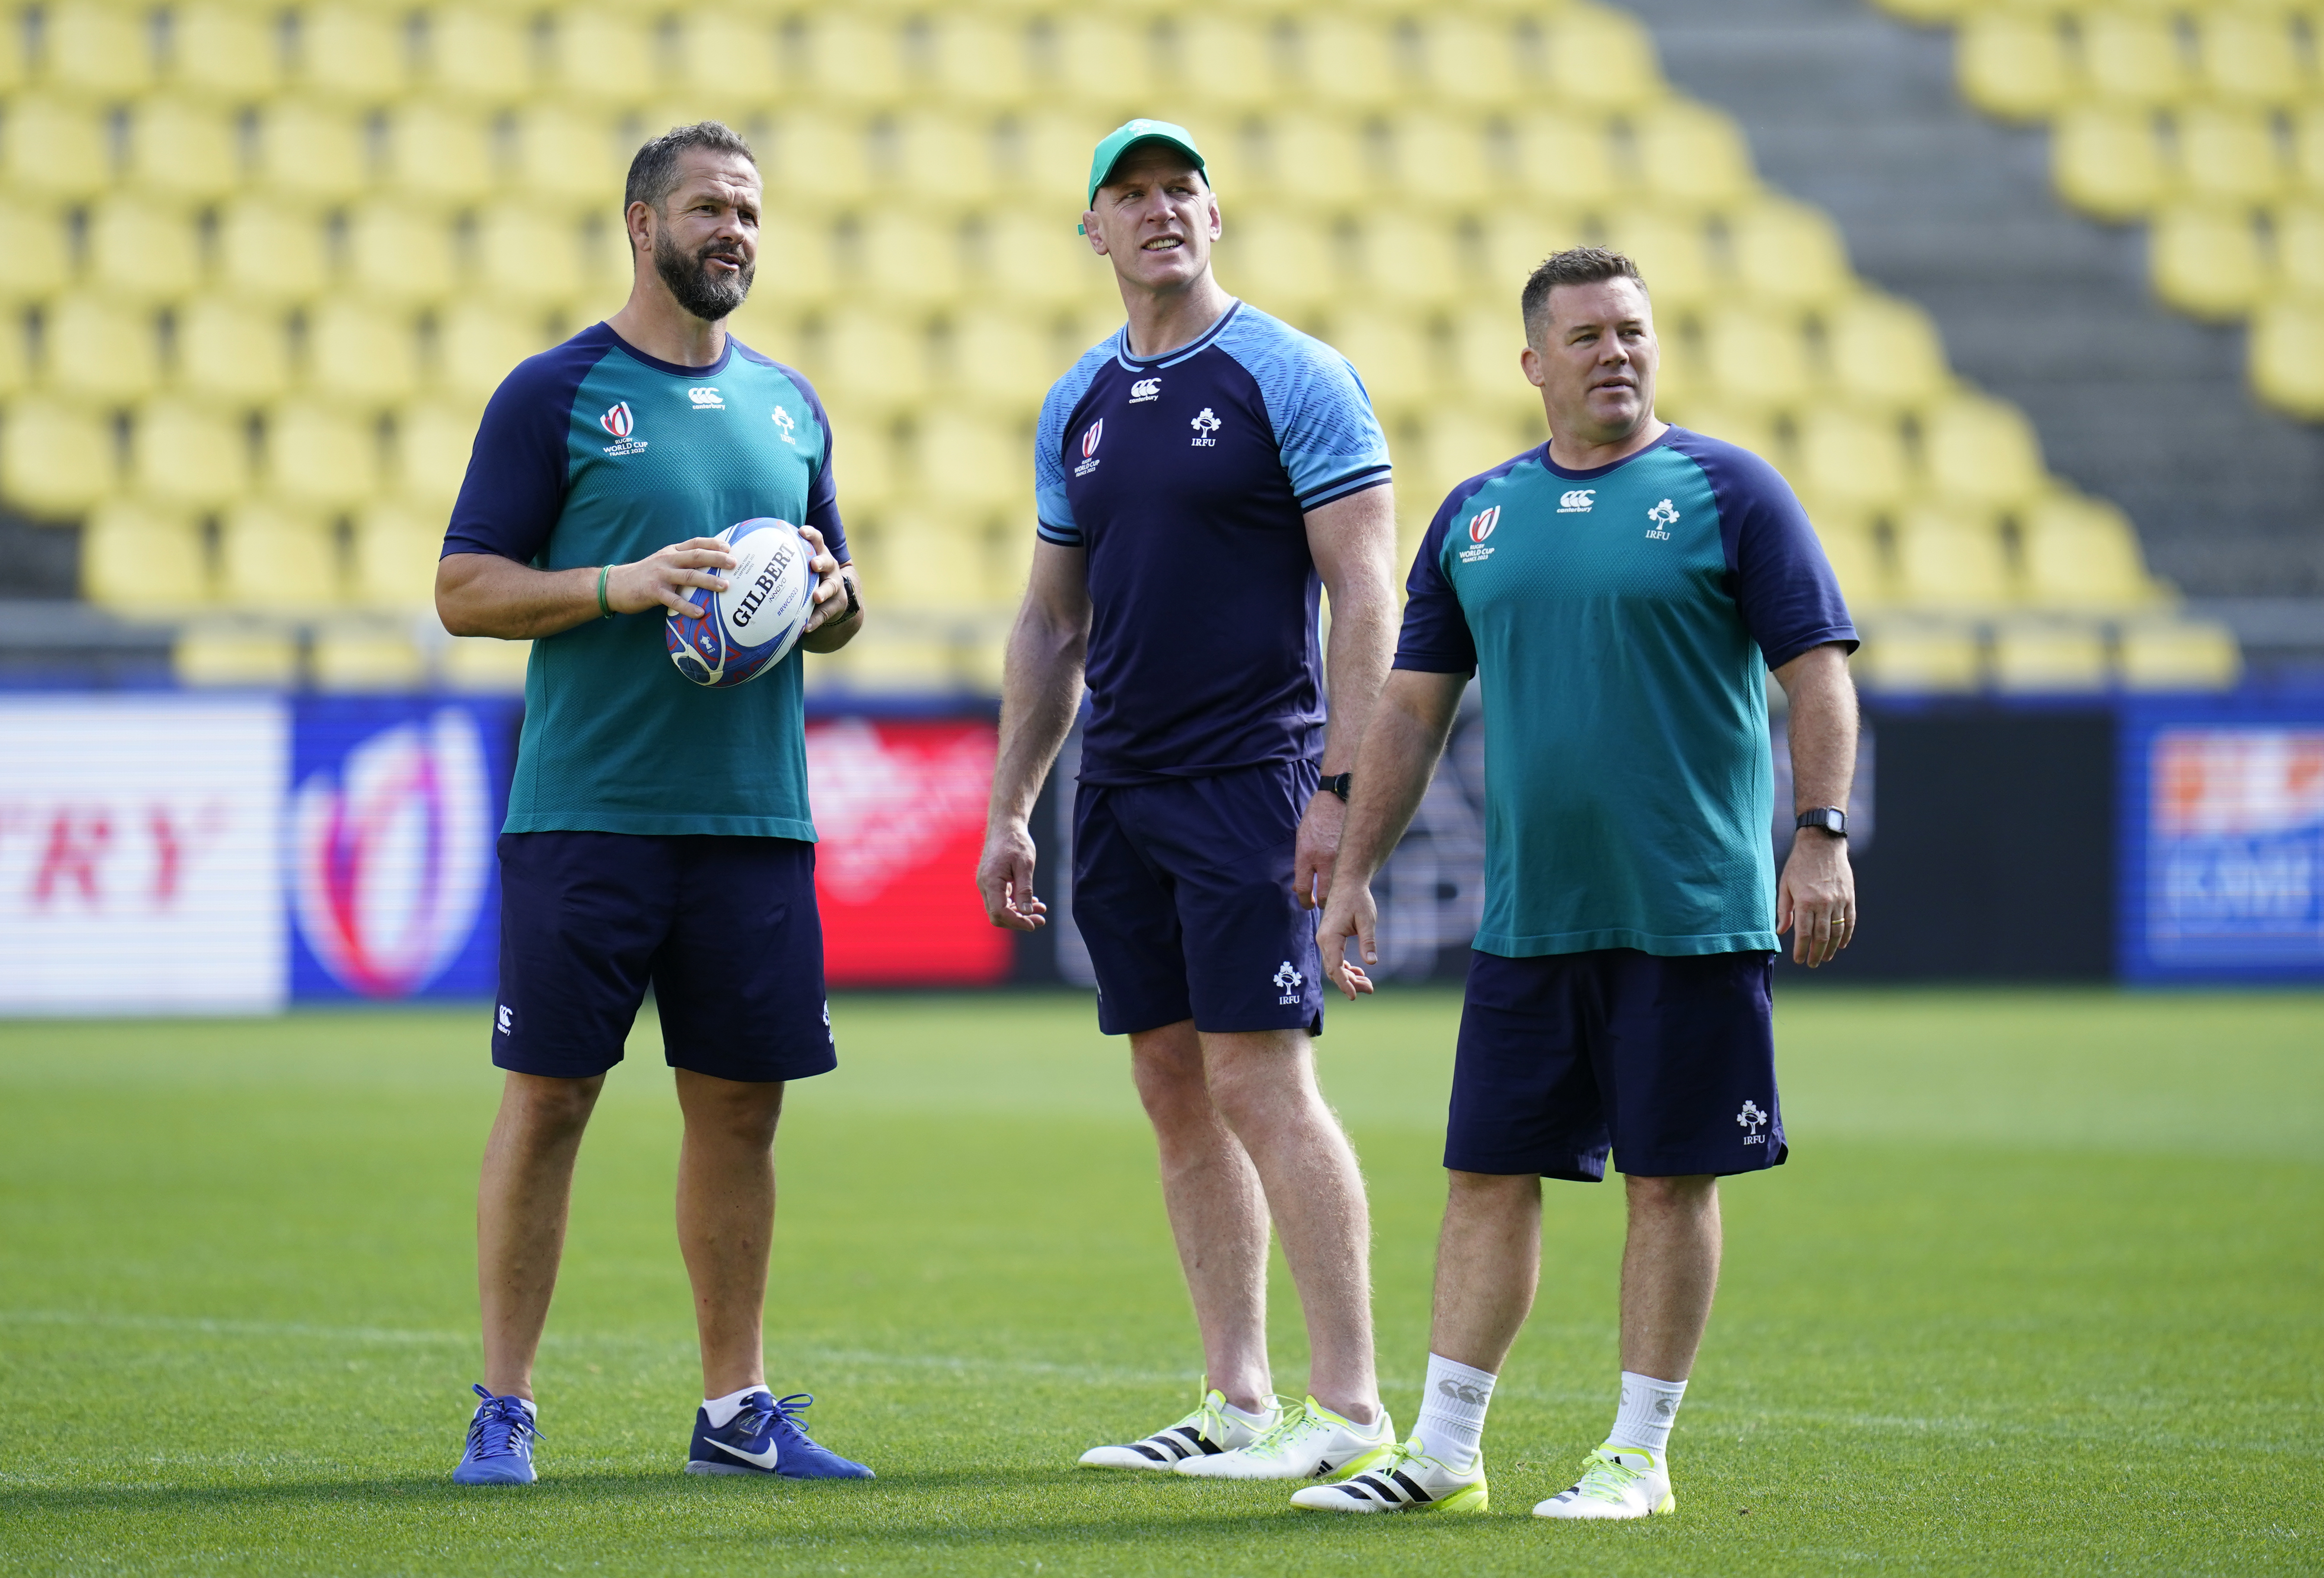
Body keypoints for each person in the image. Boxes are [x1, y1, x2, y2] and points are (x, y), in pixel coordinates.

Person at [1289, 247, 1859, 1520]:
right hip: (1530, 918)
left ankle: (1638, 1456)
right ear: (1533, 362)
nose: (1616, 353)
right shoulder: (1478, 514)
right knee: (1488, 1175)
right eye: (1588, 335)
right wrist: (1355, 867)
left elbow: (1817, 671)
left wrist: (1819, 833)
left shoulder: (1730, 491)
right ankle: (1444, 1453)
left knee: (1669, 1178)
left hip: (1688, 914)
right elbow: (1411, 711)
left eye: (1633, 331)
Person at [431, 122, 872, 1487]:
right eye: (706, 207)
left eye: (749, 210)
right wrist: (615, 585)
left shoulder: (791, 405)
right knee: (552, 1099)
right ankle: (504, 1404)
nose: (733, 230)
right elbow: (462, 588)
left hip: (753, 818)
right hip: (590, 811)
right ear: (641, 223)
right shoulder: (554, 392)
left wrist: (837, 602)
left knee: (740, 1113)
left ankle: (735, 1410)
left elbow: (831, 596)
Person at [975, 120, 1404, 1480]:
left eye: (1182, 190)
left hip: (1251, 777)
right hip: (1121, 784)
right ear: (1091, 229)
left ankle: (1349, 1412)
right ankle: (1235, 1400)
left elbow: (1366, 593)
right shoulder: (1077, 401)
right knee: (1171, 1085)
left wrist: (1342, 790)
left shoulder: (1293, 373)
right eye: (1131, 193)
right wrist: (1010, 804)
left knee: (1260, 1080)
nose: (1160, 209)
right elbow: (1052, 623)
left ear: (1215, 217)